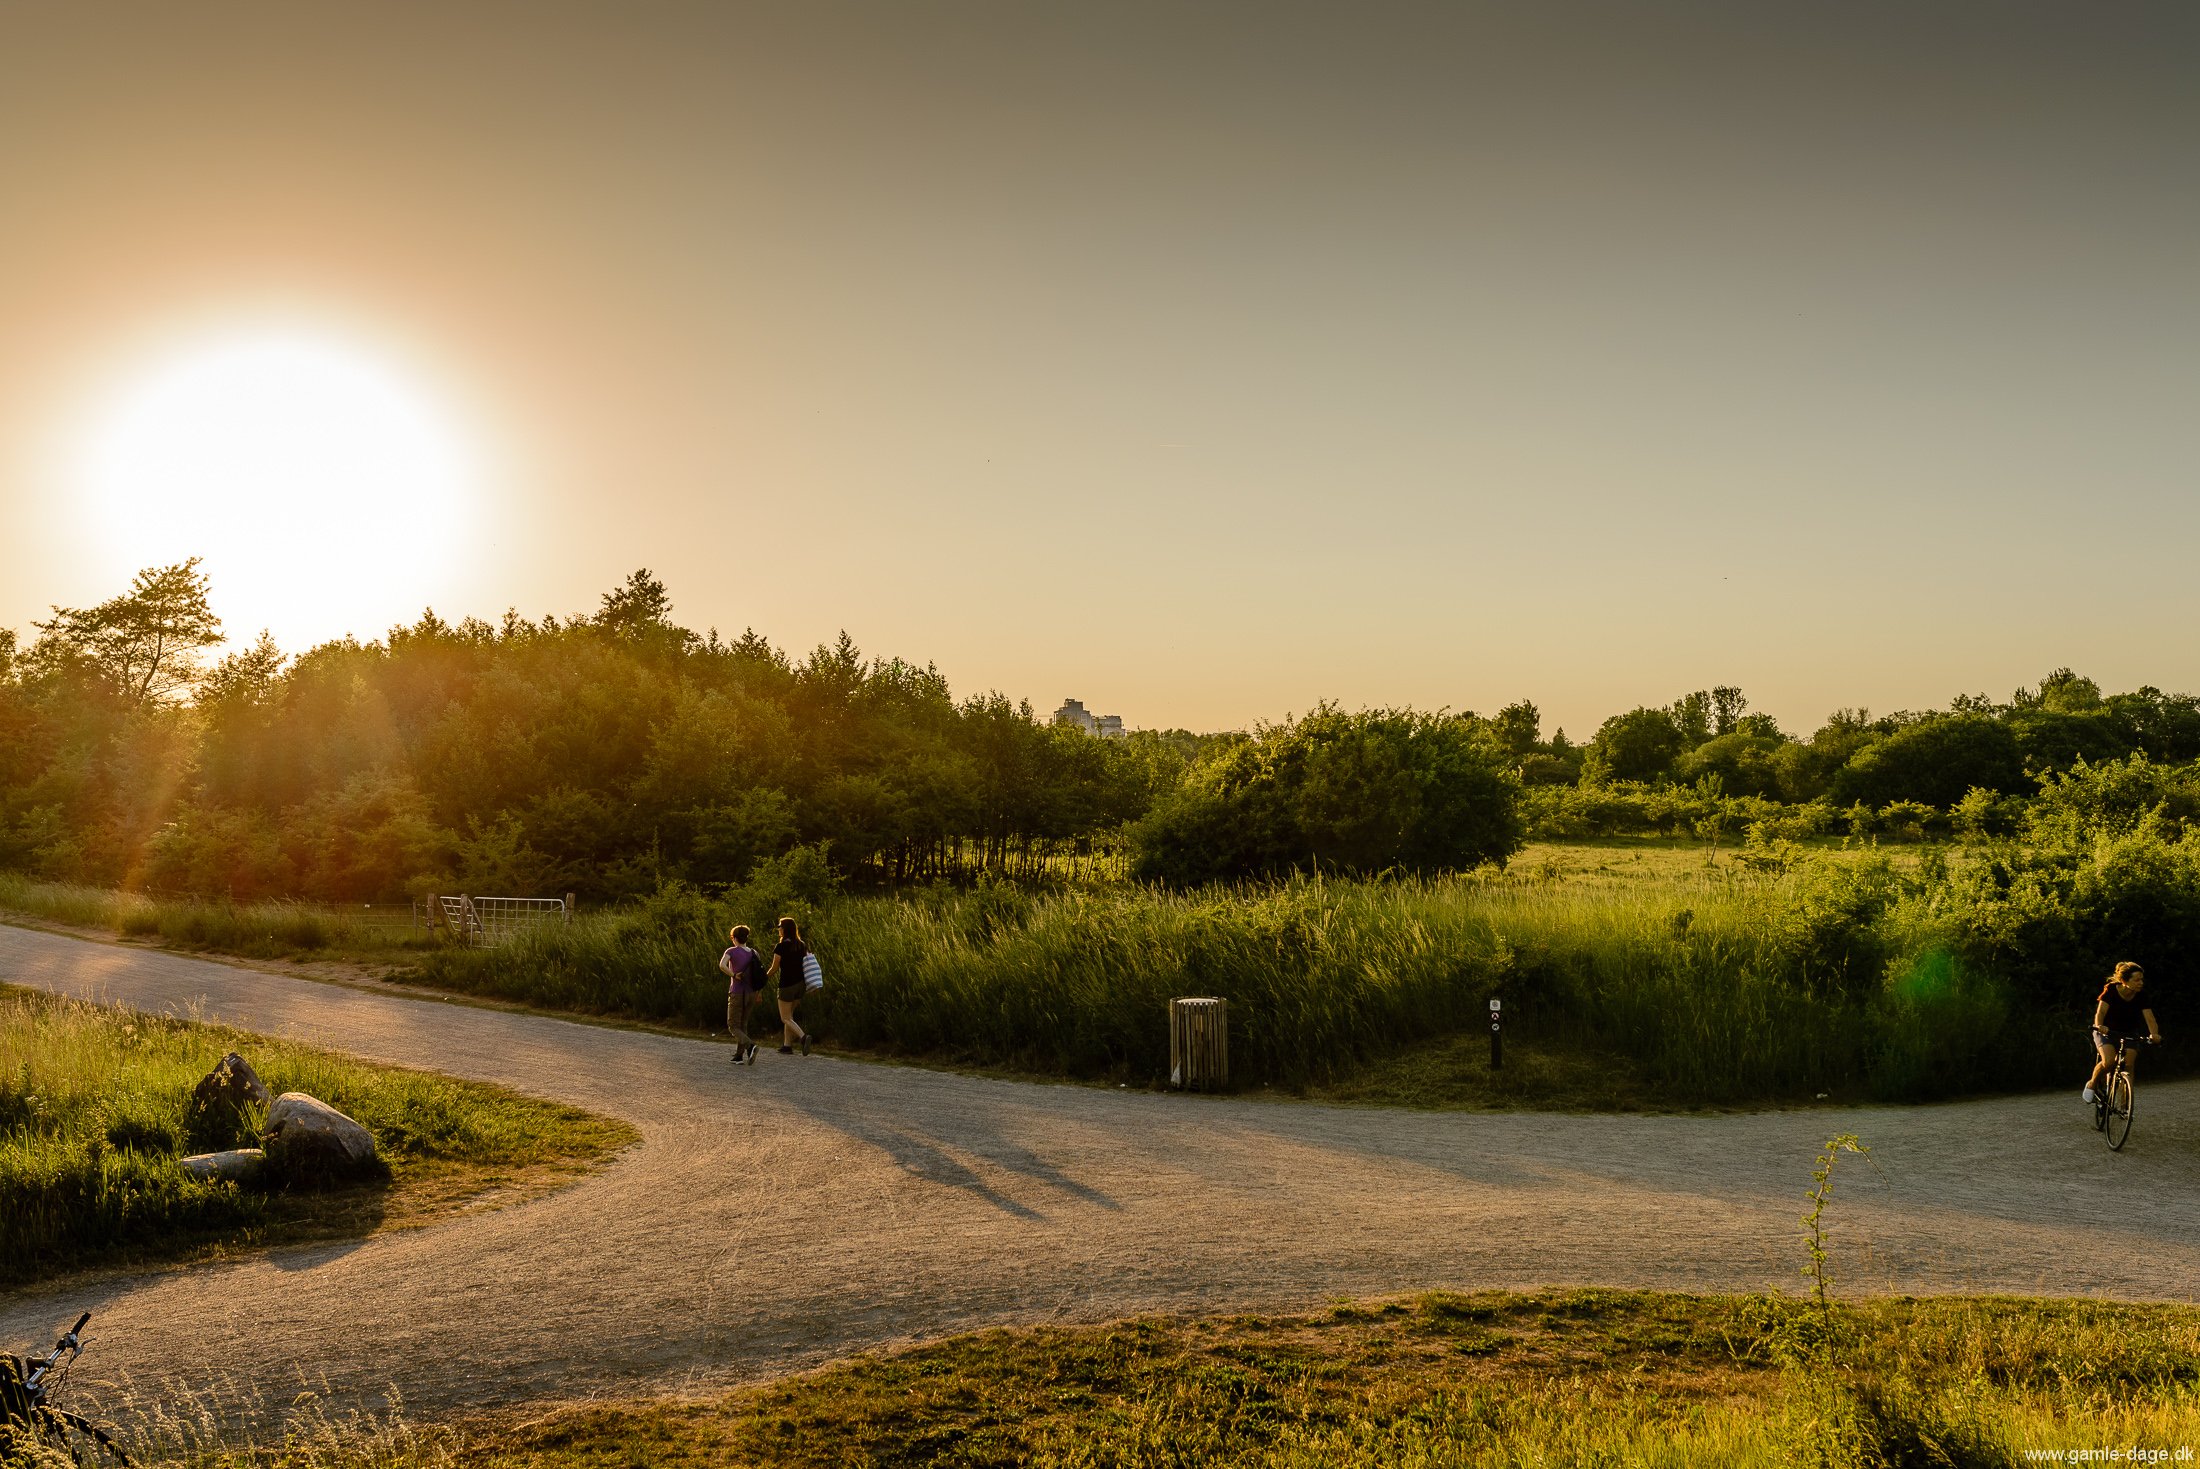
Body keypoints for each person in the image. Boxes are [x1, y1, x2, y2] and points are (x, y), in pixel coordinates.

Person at [2083, 960, 2162, 1104]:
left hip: (2129, 1033)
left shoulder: (2141, 996)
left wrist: (2154, 1034)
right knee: (2108, 1062)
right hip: (2106, 1031)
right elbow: (2100, 1013)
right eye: (2136, 980)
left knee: (2129, 1065)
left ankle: (2126, 1102)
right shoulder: (2111, 990)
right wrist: (2099, 1026)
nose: (2140, 983)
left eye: (2141, 979)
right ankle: (2092, 1084)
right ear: (2124, 980)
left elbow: (2150, 1019)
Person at [718, 924, 766, 1065]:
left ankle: (750, 1045)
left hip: (737, 992)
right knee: (743, 1024)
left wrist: (733, 975)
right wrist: (759, 993)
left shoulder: (731, 951)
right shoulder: (754, 953)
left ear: (734, 938)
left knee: (733, 1025)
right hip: (751, 993)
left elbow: (722, 965)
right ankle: (739, 1056)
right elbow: (760, 975)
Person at [764, 915, 812, 1056]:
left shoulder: (781, 946)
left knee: (785, 1018)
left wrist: (763, 978)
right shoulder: (801, 944)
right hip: (800, 984)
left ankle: (803, 1037)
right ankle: (787, 1045)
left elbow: (774, 967)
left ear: (785, 929)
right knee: (790, 1016)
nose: (778, 929)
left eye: (780, 926)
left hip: (787, 985)